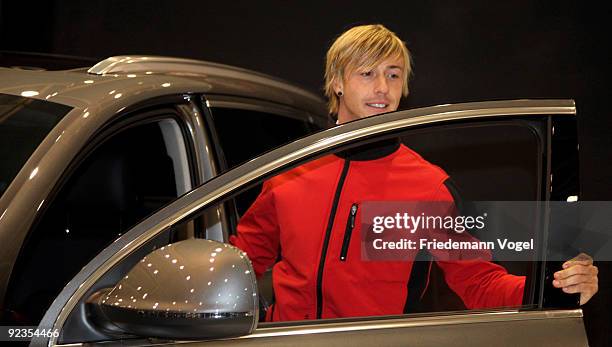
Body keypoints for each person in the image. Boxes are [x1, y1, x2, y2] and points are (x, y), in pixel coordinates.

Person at [230, 24, 598, 321]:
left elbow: (478, 281)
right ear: (337, 83)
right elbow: (243, 261)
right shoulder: (291, 168)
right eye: (367, 73)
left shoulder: (427, 185)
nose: (382, 88)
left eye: (393, 75)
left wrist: (555, 286)